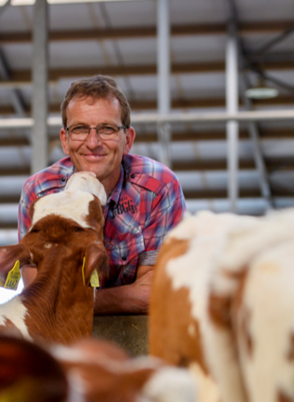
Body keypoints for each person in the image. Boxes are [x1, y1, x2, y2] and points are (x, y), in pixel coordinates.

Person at [17, 75, 186, 315]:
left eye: (107, 128)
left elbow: (156, 290)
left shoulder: (159, 187)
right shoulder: (38, 193)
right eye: (80, 129)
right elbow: (36, 290)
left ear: (127, 140)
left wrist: (74, 302)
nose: (93, 142)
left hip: (139, 338)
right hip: (66, 339)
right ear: (65, 141)